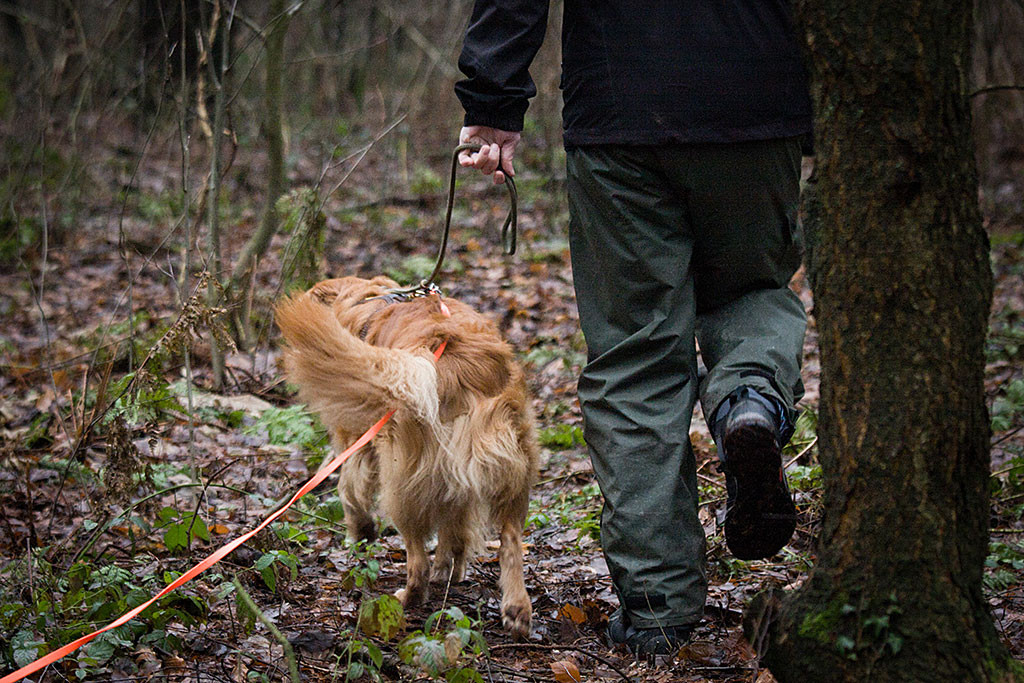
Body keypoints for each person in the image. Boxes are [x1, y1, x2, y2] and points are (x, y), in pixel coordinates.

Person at [454, 1, 812, 657]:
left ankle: (658, 608)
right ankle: (748, 405)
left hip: (620, 106)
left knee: (635, 357)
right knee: (753, 290)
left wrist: (493, 101)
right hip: (757, 95)